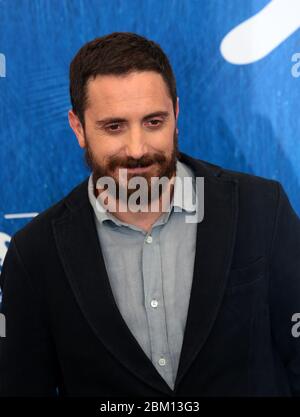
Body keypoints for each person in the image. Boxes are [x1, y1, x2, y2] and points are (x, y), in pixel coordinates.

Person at [0, 32, 299, 397]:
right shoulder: (35, 253)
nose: (138, 149)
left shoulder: (261, 207)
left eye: (153, 122)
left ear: (176, 114)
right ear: (78, 128)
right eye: (114, 126)